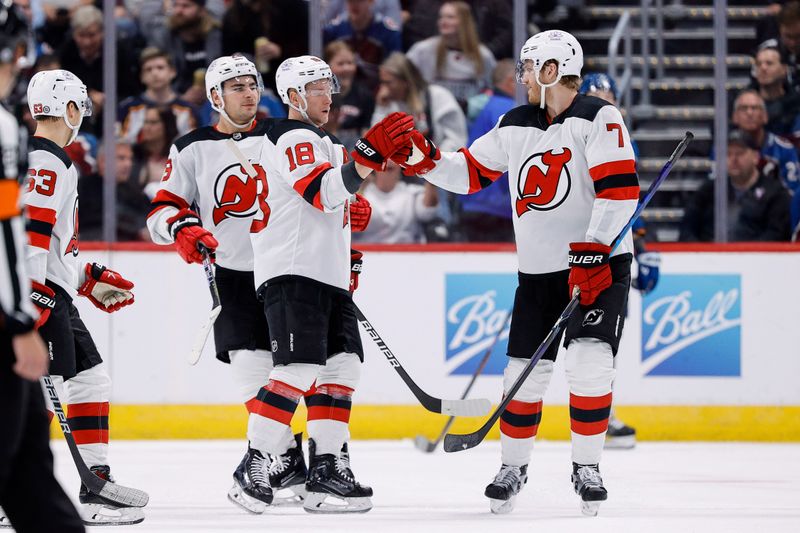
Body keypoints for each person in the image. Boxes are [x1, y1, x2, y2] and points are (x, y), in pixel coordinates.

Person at [393, 30, 639, 516]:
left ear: (551, 71)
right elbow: (468, 173)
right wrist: (422, 161)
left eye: (528, 68)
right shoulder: (515, 122)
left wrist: (593, 249)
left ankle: (587, 466)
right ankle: (512, 466)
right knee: (522, 377)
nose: (521, 76)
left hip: (599, 268)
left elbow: (620, 192)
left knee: (589, 365)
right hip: (539, 274)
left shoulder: (599, 117)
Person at [249, 54, 411, 513]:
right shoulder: (292, 134)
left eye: (329, 85)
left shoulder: (326, 142)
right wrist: (367, 158)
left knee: (342, 371)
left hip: (325, 273)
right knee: (298, 370)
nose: (329, 94)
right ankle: (254, 462)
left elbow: (332, 201)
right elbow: (319, 192)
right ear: (294, 96)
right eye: (318, 87)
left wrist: (349, 245)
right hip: (295, 270)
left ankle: (325, 472)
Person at [23, 68, 146, 526]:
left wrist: (87, 277)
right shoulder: (47, 160)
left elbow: (50, 246)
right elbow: (31, 241)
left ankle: (96, 484)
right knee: (29, 402)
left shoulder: (49, 159)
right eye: (82, 109)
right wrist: (33, 307)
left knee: (91, 381)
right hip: (41, 297)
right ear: (70, 109)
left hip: (51, 292)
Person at [0, 28, 85, 533]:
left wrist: (86, 275)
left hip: (26, 299)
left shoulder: (19, 137)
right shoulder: (31, 147)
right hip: (22, 304)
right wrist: (21, 315)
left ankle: (93, 476)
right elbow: (23, 236)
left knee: (29, 458)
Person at [680, 129, 792, 242]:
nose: (734, 159)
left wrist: (747, 255)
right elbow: (687, 229)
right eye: (728, 154)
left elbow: (777, 235)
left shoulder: (776, 194)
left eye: (740, 153)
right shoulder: (708, 191)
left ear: (756, 157)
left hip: (757, 257)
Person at [458, 59, 516, 242]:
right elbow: (514, 158)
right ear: (509, 81)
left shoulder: (490, 106)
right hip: (495, 206)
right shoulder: (507, 109)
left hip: (474, 201)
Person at [405, 1, 496, 109]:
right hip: (432, 115)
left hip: (470, 119)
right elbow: (404, 76)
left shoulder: (483, 55)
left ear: (464, 22)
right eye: (441, 17)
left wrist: (472, 106)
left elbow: (492, 90)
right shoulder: (423, 50)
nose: (443, 21)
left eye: (450, 17)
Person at [118, 48, 200, 144]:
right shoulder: (127, 108)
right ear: (141, 77)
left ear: (173, 72)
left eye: (160, 67)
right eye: (148, 69)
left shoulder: (189, 109)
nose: (154, 73)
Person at [151, 0, 222, 101]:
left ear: (202, 11)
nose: (179, 11)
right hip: (176, 99)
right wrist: (180, 99)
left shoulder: (217, 35)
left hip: (217, 97)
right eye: (176, 5)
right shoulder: (164, 37)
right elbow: (157, 80)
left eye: (186, 6)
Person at [353, 159, 438, 243]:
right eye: (385, 158)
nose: (389, 161)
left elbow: (427, 213)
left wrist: (431, 177)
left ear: (402, 166)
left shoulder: (413, 193)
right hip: (368, 253)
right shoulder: (359, 196)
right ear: (373, 167)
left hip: (408, 253)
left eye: (393, 157)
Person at [731, 89, 800, 192]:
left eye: (755, 108)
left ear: (765, 116)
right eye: (743, 108)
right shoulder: (724, 150)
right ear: (735, 117)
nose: (749, 113)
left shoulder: (785, 149)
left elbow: (792, 192)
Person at [323, 0, 402, 88]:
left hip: (376, 88)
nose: (354, 5)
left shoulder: (388, 32)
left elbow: (395, 68)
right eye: (350, 1)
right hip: (340, 89)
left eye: (360, 1)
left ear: (371, 2)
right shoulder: (334, 30)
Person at [325, 40, 375, 151]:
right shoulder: (319, 94)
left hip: (354, 148)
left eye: (350, 63)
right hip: (326, 143)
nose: (346, 68)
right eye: (340, 64)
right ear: (327, 66)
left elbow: (366, 130)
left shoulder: (364, 94)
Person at [752, 44, 800, 141]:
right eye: (758, 64)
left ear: (784, 69)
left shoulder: (797, 105)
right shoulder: (743, 103)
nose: (763, 68)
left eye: (769, 63)